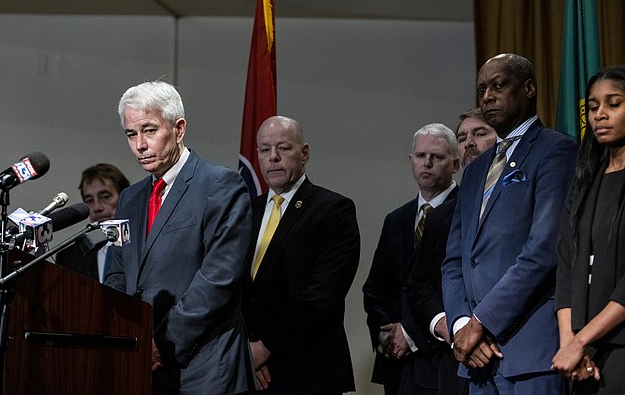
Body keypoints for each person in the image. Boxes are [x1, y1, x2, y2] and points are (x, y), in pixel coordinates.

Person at [104, 80, 254, 394]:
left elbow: (219, 279)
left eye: (149, 130)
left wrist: (163, 341)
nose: (140, 145)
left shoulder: (220, 185)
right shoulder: (130, 198)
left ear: (179, 129)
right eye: (131, 134)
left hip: (205, 368)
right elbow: (118, 274)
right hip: (143, 364)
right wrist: (127, 338)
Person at [442, 53, 578, 394]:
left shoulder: (556, 151)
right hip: (477, 358)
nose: (487, 96)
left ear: (528, 88)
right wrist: (461, 326)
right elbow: (455, 260)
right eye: (481, 90)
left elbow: (543, 251)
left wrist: (482, 322)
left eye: (498, 85)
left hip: (529, 354)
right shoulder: (474, 170)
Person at [242, 116, 360, 394]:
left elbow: (322, 295)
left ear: (304, 153)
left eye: (283, 148)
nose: (273, 158)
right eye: (264, 149)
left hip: (308, 370)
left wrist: (265, 348)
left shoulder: (333, 209)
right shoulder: (247, 210)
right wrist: (246, 349)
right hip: (252, 370)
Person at [552, 65, 625, 392]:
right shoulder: (586, 178)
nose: (600, 114)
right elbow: (567, 262)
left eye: (613, 104)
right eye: (594, 106)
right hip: (581, 351)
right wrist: (569, 341)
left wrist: (581, 340)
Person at [363, 123, 460, 394]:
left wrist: (410, 333)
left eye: (436, 157)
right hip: (396, 360)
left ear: (455, 164)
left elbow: (451, 288)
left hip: (440, 357)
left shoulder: (465, 212)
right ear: (411, 160)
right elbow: (374, 288)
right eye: (420, 156)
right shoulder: (397, 219)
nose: (426, 163)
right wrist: (386, 334)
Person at [406, 109, 496, 395]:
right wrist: (455, 329)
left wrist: (479, 329)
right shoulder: (439, 216)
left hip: (508, 351)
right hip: (455, 362)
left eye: (480, 133)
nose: (469, 142)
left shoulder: (520, 198)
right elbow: (420, 285)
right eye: (462, 137)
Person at [56, 163, 129, 283]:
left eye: (105, 197)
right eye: (89, 200)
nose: (97, 208)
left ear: (124, 197)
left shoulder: (142, 244)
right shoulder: (70, 258)